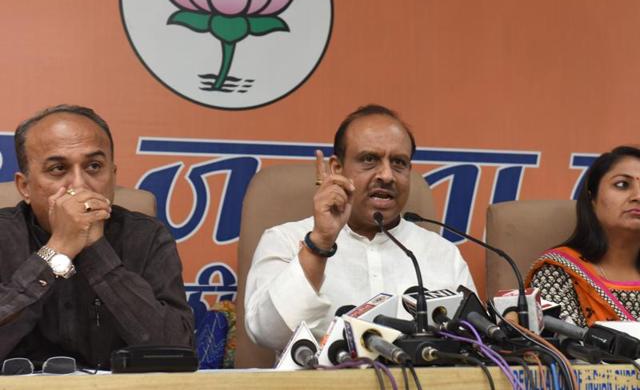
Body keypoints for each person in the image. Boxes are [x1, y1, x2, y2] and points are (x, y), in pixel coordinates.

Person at [244, 104, 475, 351]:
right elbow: (268, 333)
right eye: (369, 159)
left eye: (398, 162)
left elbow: (473, 343)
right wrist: (320, 243)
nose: (387, 175)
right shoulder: (285, 240)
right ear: (336, 169)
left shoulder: (443, 254)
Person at [0, 104, 193, 369]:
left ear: (112, 177)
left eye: (94, 166)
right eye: (58, 169)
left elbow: (176, 351)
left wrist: (97, 251)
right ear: (25, 187)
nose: (79, 185)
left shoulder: (146, 237)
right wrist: (57, 250)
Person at [527, 146, 640, 327]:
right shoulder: (558, 273)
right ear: (592, 198)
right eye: (622, 185)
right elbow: (559, 349)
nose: (638, 196)